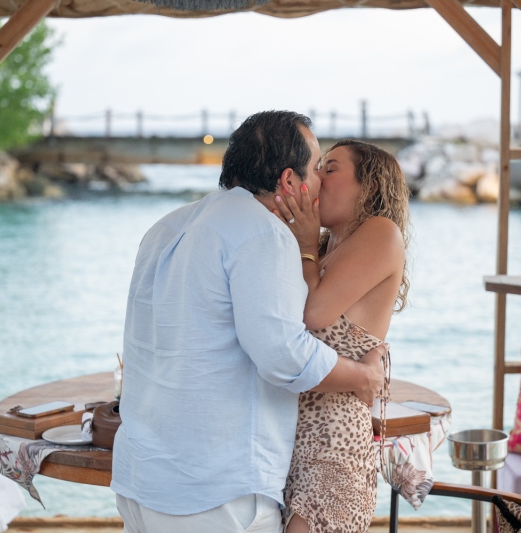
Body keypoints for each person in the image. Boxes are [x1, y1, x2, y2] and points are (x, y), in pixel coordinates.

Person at [111, 111, 388, 533]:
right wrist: (362, 377)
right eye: (316, 169)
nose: (319, 183)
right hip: (212, 493)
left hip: (140, 478)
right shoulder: (261, 232)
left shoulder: (166, 226)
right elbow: (284, 355)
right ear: (289, 181)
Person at [273, 140, 410, 533]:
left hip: (332, 446)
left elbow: (314, 314)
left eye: (329, 169)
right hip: (290, 442)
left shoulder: (381, 233)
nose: (315, 178)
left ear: (369, 187)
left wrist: (303, 241)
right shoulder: (322, 249)